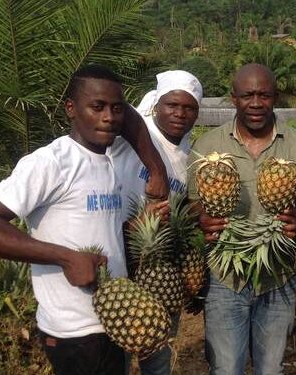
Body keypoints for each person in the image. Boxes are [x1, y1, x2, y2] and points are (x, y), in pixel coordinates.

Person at [0, 65, 169, 375]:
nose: (108, 117)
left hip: (115, 322)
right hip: (74, 334)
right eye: (96, 107)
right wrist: (66, 258)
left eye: (116, 109)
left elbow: (96, 230)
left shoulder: (106, 161)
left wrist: (151, 183)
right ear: (71, 108)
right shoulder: (51, 162)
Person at [187, 63, 296, 375]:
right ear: (233, 98)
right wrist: (201, 217)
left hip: (279, 277)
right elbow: (191, 205)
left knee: (271, 368)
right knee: (226, 367)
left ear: (275, 97)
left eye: (263, 95)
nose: (255, 103)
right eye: (247, 95)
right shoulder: (206, 147)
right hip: (224, 278)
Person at [109, 69, 202, 375]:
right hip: (118, 260)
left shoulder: (189, 156)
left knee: (158, 357)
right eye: (172, 105)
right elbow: (121, 110)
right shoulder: (138, 132)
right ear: (156, 105)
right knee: (115, 355)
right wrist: (157, 170)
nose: (180, 114)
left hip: (159, 270)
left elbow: (185, 217)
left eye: (189, 108)